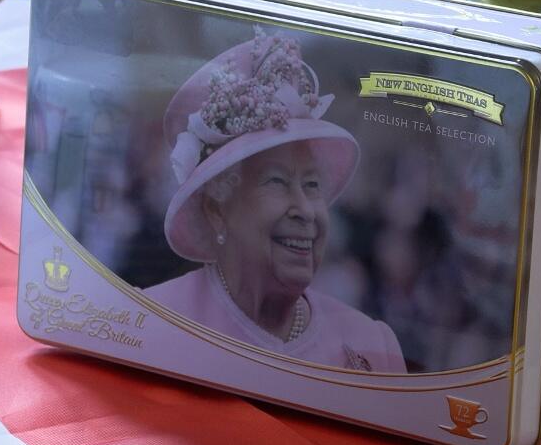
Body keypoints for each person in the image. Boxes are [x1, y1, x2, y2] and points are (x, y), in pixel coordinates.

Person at [146, 29, 406, 373]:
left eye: (312, 185)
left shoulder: (371, 345)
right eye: (277, 181)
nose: (306, 211)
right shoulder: (155, 323)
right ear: (217, 209)